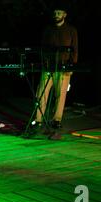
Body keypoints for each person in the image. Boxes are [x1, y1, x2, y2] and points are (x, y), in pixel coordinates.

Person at [32, 7, 78, 139]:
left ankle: (56, 120)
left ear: (65, 14)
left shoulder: (71, 30)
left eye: (59, 13)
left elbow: (75, 49)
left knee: (60, 94)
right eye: (55, 13)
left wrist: (71, 66)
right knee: (41, 93)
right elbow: (43, 47)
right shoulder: (48, 29)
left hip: (63, 67)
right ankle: (38, 119)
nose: (57, 15)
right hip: (48, 67)